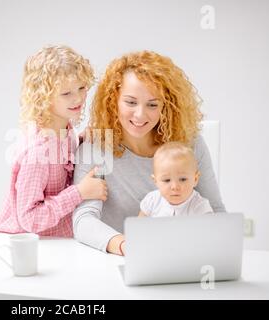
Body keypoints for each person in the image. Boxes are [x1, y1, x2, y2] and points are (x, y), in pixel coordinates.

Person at [72, 50, 225, 254]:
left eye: (152, 104)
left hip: (181, 256)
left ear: (166, 105)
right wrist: (125, 246)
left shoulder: (190, 144)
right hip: (118, 260)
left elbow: (215, 209)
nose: (140, 114)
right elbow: (83, 219)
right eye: (131, 102)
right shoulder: (96, 146)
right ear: (113, 100)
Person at [0, 45, 107, 237]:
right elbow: (30, 219)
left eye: (82, 88)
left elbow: (61, 160)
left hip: (50, 241)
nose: (78, 98)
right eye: (66, 93)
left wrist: (81, 139)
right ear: (43, 97)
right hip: (22, 243)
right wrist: (79, 193)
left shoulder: (64, 129)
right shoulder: (37, 153)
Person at [138, 141, 213, 218]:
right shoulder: (151, 201)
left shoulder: (200, 206)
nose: (175, 186)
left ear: (195, 179)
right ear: (155, 181)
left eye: (183, 179)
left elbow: (209, 229)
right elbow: (138, 227)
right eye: (167, 180)